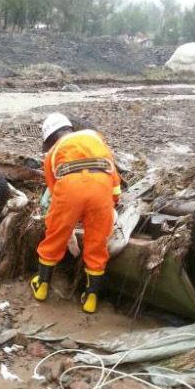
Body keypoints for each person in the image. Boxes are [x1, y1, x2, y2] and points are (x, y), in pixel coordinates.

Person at [31, 113, 121, 314]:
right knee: (97, 244)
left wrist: (67, 221)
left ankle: (42, 287)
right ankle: (91, 298)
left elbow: (55, 194)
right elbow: (113, 177)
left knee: (54, 238)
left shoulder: (53, 153)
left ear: (50, 139)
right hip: (101, 187)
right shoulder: (95, 138)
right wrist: (110, 204)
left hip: (69, 189)